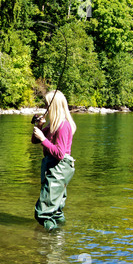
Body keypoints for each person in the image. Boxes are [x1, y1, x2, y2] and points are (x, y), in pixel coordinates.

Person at [31, 90, 76, 231]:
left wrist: (43, 139)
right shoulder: (52, 125)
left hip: (59, 168)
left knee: (42, 213)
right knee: (56, 211)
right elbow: (34, 141)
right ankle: (60, 236)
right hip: (53, 167)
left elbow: (60, 154)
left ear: (54, 106)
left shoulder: (63, 126)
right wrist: (39, 127)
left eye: (47, 105)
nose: (46, 108)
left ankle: (51, 239)